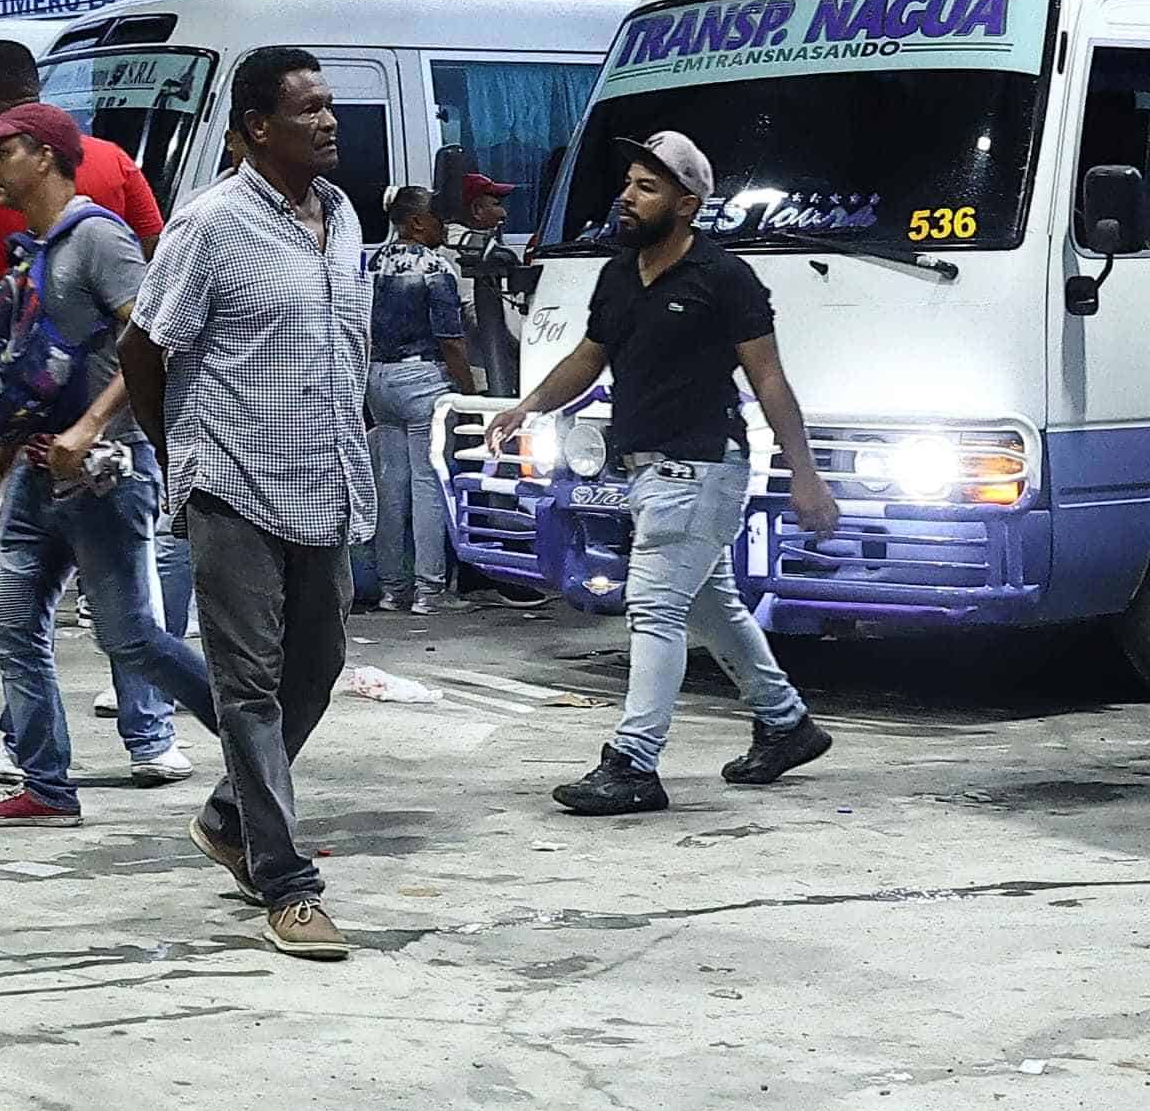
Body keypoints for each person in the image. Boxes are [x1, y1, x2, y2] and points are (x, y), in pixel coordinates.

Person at [493, 129, 846, 814]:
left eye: (646, 187)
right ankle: (786, 723)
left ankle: (633, 761)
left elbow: (769, 380)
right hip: (646, 473)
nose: (626, 196)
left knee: (653, 608)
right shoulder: (619, 274)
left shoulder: (724, 278)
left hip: (703, 467)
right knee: (713, 606)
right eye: (627, 182)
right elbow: (589, 358)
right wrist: (528, 404)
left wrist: (806, 474)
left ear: (686, 205)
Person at [121, 47, 371, 961]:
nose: (329, 121)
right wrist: (176, 450)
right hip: (233, 482)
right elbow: (145, 346)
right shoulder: (211, 224)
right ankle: (287, 884)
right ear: (258, 127)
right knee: (250, 688)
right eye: (308, 109)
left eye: (330, 105)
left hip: (327, 481)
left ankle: (229, 814)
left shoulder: (343, 218)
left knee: (319, 669)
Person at [0, 103, 215, 827]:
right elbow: (27, 379)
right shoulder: (35, 250)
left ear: (43, 156)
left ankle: (258, 735)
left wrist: (92, 424)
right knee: (14, 623)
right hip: (40, 479)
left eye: (1, 151)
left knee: (130, 636)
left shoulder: (99, 238)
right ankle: (46, 786)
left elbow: (155, 339)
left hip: (104, 474)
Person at [0, 39, 164, 587]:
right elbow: (157, 260)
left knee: (17, 567)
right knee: (107, 587)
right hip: (104, 389)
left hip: (5, 384)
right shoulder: (113, 161)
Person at [361, 186, 475, 614]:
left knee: (390, 484)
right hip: (423, 378)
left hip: (379, 378)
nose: (445, 226)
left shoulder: (376, 263)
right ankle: (430, 590)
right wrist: (469, 388)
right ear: (417, 224)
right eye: (439, 218)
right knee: (428, 483)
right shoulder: (434, 267)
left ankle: (394, 589)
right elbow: (451, 341)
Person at [450, 171, 529, 402]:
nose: (503, 213)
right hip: (484, 372)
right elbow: (477, 310)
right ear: (476, 210)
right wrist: (522, 344)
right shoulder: (464, 249)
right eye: (496, 205)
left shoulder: (479, 241)